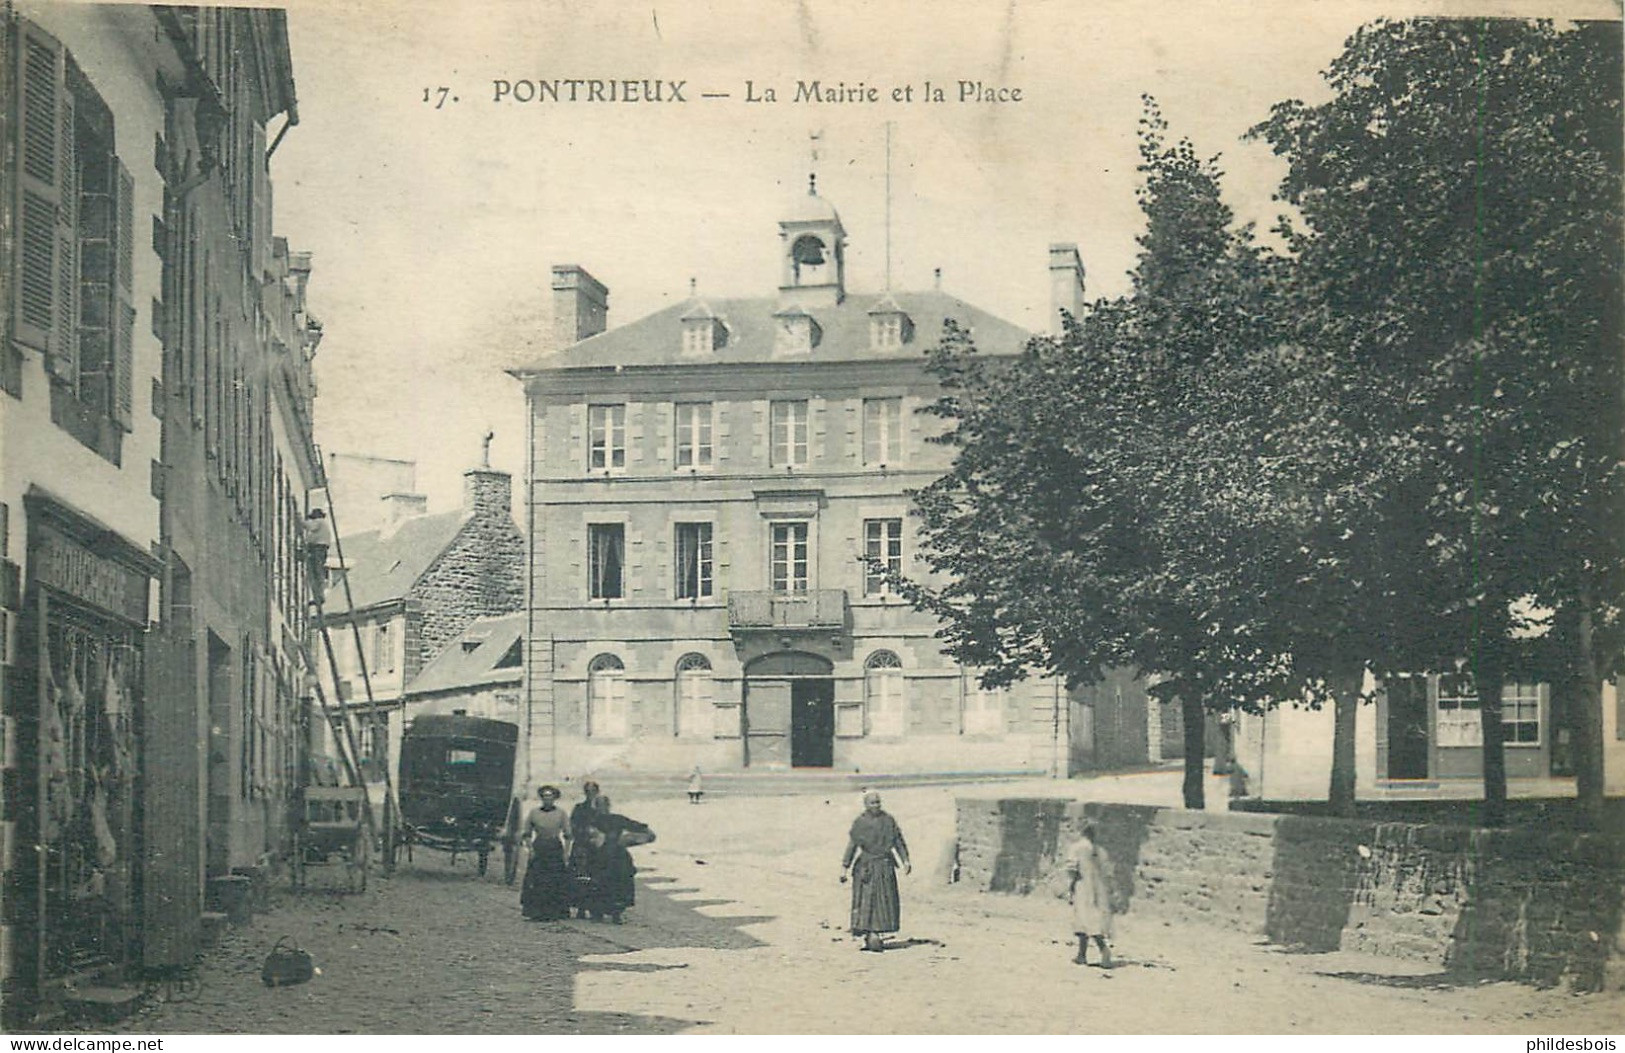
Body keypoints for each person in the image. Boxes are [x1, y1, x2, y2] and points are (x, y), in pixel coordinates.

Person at [840, 790, 910, 952]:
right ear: (866, 805)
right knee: (866, 900)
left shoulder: (888, 820)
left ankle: (876, 932)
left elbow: (898, 841)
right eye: (872, 803)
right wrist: (844, 867)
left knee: (884, 900)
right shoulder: (860, 822)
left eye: (878, 802)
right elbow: (852, 846)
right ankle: (869, 932)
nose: (876, 805)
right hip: (866, 868)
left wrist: (905, 860)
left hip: (885, 866)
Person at [585, 795, 654, 923]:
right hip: (599, 856)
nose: (603, 808)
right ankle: (597, 913)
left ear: (609, 806)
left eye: (605, 805)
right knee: (598, 883)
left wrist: (644, 832)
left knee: (619, 884)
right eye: (599, 805)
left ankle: (616, 913)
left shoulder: (617, 819)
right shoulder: (592, 821)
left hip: (617, 855)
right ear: (595, 807)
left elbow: (635, 826)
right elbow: (586, 838)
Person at [1061, 821, 1116, 968]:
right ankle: (1082, 954)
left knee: (1083, 917)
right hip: (1097, 888)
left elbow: (1072, 869)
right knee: (1092, 917)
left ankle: (1103, 951)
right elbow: (1107, 872)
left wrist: (1070, 886)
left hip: (1082, 886)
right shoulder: (1099, 850)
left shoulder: (1077, 848)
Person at [519, 785, 572, 921]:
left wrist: (566, 853)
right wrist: (530, 849)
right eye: (545, 796)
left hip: (554, 847)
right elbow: (526, 833)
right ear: (541, 798)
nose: (547, 799)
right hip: (539, 847)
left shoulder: (561, 813)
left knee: (555, 879)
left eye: (550, 796)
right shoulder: (534, 813)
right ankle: (536, 911)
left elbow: (568, 834)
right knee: (537, 879)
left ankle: (555, 911)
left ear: (554, 798)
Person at [567, 781, 604, 918]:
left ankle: (595, 908)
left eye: (593, 791)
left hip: (596, 847)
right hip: (582, 846)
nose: (590, 794)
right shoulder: (579, 808)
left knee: (596, 877)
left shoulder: (601, 809)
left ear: (597, 792)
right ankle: (581, 908)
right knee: (580, 877)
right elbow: (573, 825)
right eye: (588, 791)